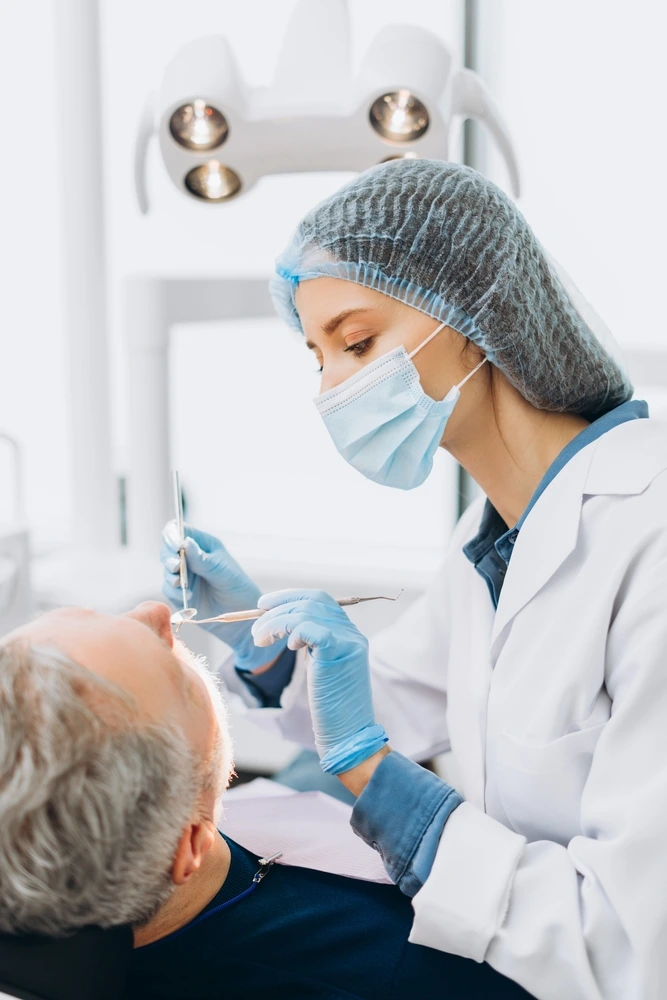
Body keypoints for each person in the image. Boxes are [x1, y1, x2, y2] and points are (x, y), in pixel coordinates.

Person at [161, 159, 667, 1000]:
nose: (332, 389)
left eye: (356, 343)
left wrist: (371, 775)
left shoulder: (647, 529)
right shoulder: (498, 530)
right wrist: (258, 645)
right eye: (316, 357)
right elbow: (391, 696)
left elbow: (626, 947)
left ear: (473, 310)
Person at [0, 602, 531, 999]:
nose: (155, 613)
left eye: (86, 615)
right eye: (172, 676)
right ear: (187, 844)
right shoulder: (399, 973)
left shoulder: (123, 846)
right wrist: (369, 767)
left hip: (277, 819)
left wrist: (280, 672)